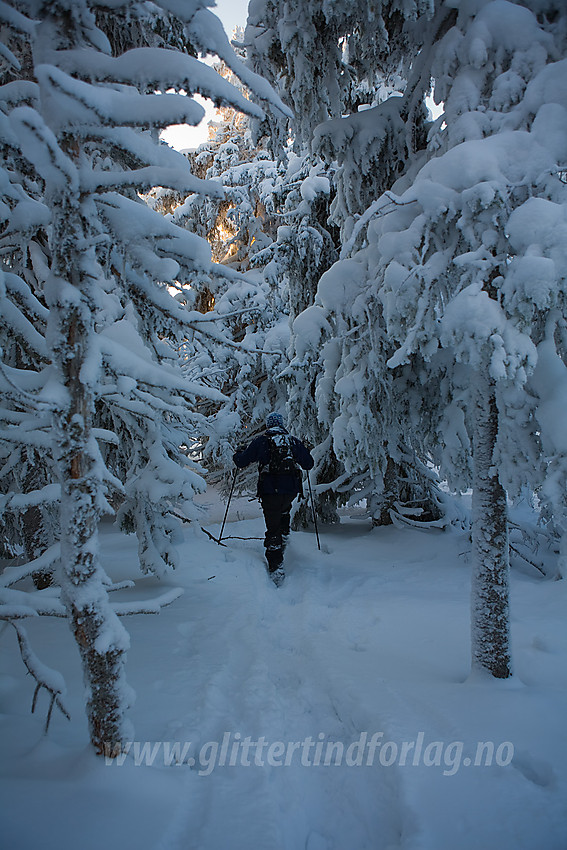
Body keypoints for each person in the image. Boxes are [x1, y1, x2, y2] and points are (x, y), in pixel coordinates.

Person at [233, 412, 314, 576]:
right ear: (282, 424)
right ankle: (283, 540)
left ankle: (276, 564)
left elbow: (241, 461)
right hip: (290, 490)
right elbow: (308, 464)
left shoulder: (262, 441)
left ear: (269, 425)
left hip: (270, 490)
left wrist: (238, 453)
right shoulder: (292, 441)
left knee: (273, 524)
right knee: (284, 512)